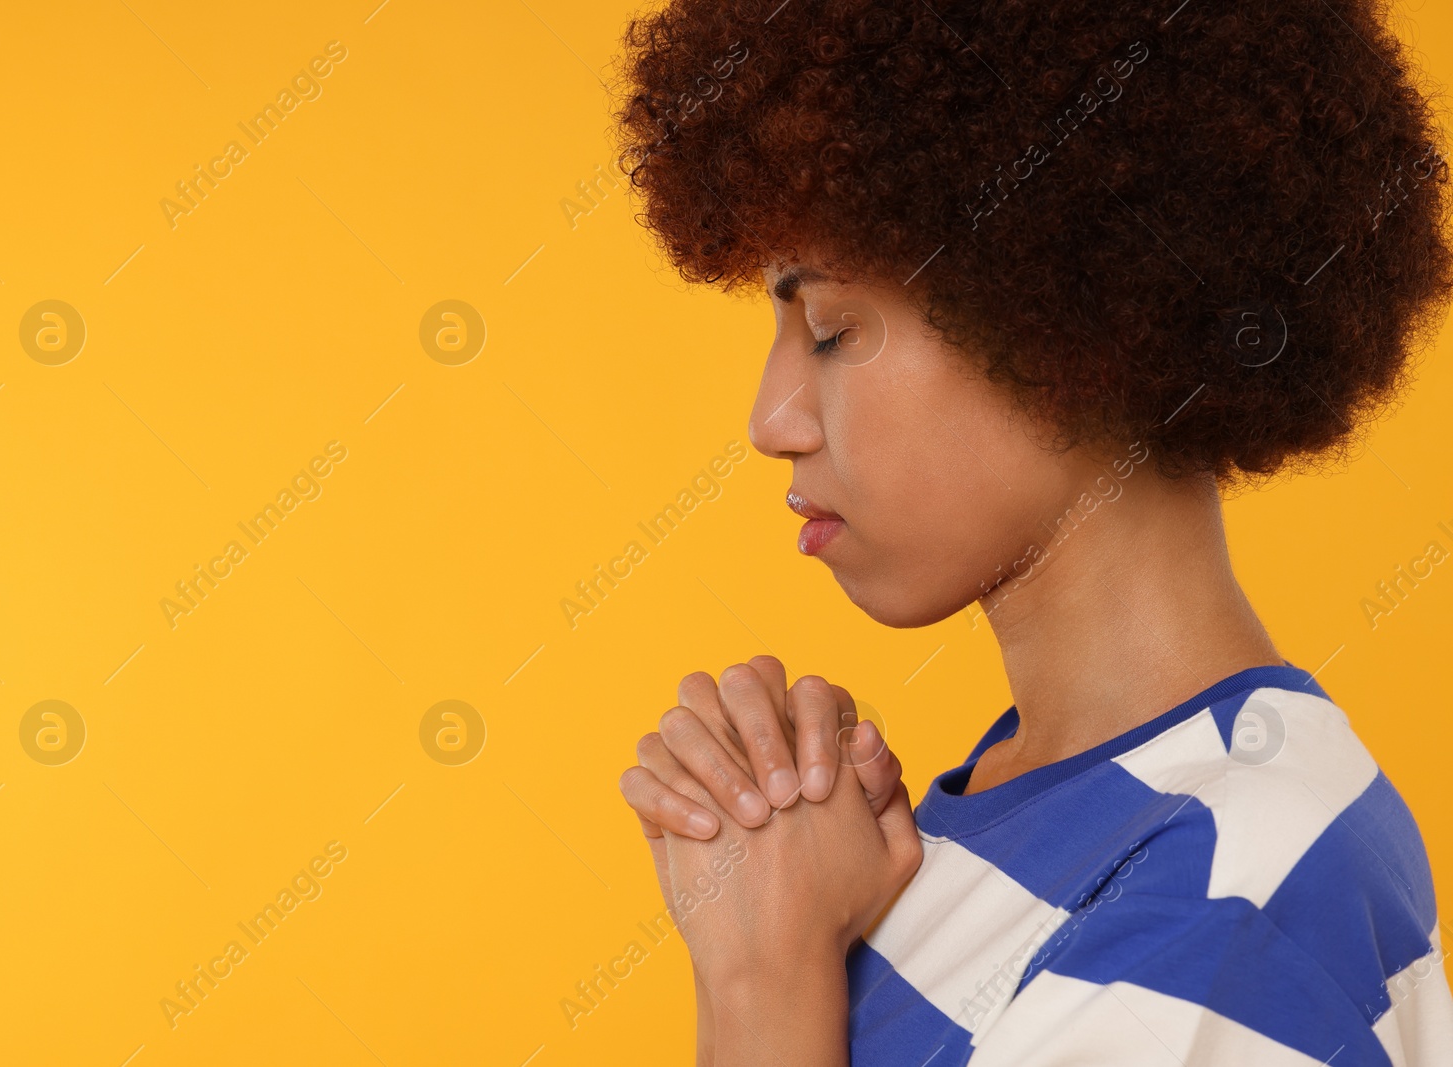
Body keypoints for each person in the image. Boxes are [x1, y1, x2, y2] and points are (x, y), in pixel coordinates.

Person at [611, 1, 1453, 1063]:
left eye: (830, 331)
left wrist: (762, 978)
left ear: (1073, 316)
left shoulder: (1234, 894)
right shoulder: (1009, 806)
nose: (769, 420)